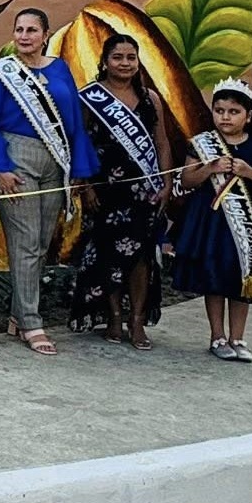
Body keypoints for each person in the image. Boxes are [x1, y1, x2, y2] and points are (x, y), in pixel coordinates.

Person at [0, 8, 99, 357]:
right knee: (26, 243)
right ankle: (31, 321)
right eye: (19, 30)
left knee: (42, 243)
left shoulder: (60, 69)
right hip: (17, 159)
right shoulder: (2, 73)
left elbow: (73, 120)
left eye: (32, 30)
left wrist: (78, 167)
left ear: (45, 35)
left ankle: (18, 315)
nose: (24, 36)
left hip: (55, 160)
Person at [67, 34, 173, 349]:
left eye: (130, 57)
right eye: (117, 57)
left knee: (140, 257)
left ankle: (136, 320)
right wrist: (86, 187)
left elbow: (162, 142)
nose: (125, 63)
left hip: (144, 192)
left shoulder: (150, 99)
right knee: (108, 255)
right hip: (104, 191)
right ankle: (113, 316)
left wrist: (166, 183)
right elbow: (80, 144)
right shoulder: (90, 98)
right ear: (104, 62)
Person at [172, 80, 252, 362]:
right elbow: (186, 179)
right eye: (219, 110)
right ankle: (217, 336)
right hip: (212, 223)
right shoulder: (202, 143)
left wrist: (249, 172)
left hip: (249, 224)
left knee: (242, 278)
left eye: (233, 111)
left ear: (248, 116)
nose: (225, 117)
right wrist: (210, 169)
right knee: (214, 278)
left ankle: (238, 337)